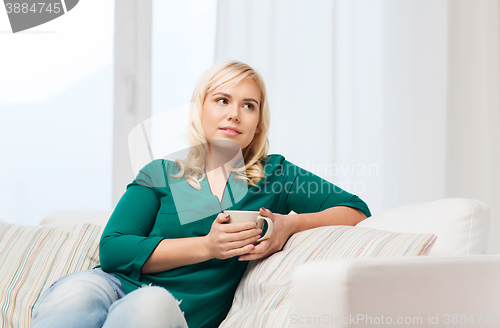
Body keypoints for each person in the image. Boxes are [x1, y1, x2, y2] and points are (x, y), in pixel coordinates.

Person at [29, 60, 371, 328]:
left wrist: (288, 226)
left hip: (175, 312)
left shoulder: (276, 175)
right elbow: (114, 248)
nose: (234, 113)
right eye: (222, 100)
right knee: (75, 293)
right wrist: (208, 246)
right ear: (201, 110)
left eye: (248, 105)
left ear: (258, 123)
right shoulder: (161, 172)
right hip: (114, 285)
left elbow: (354, 210)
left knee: (149, 305)